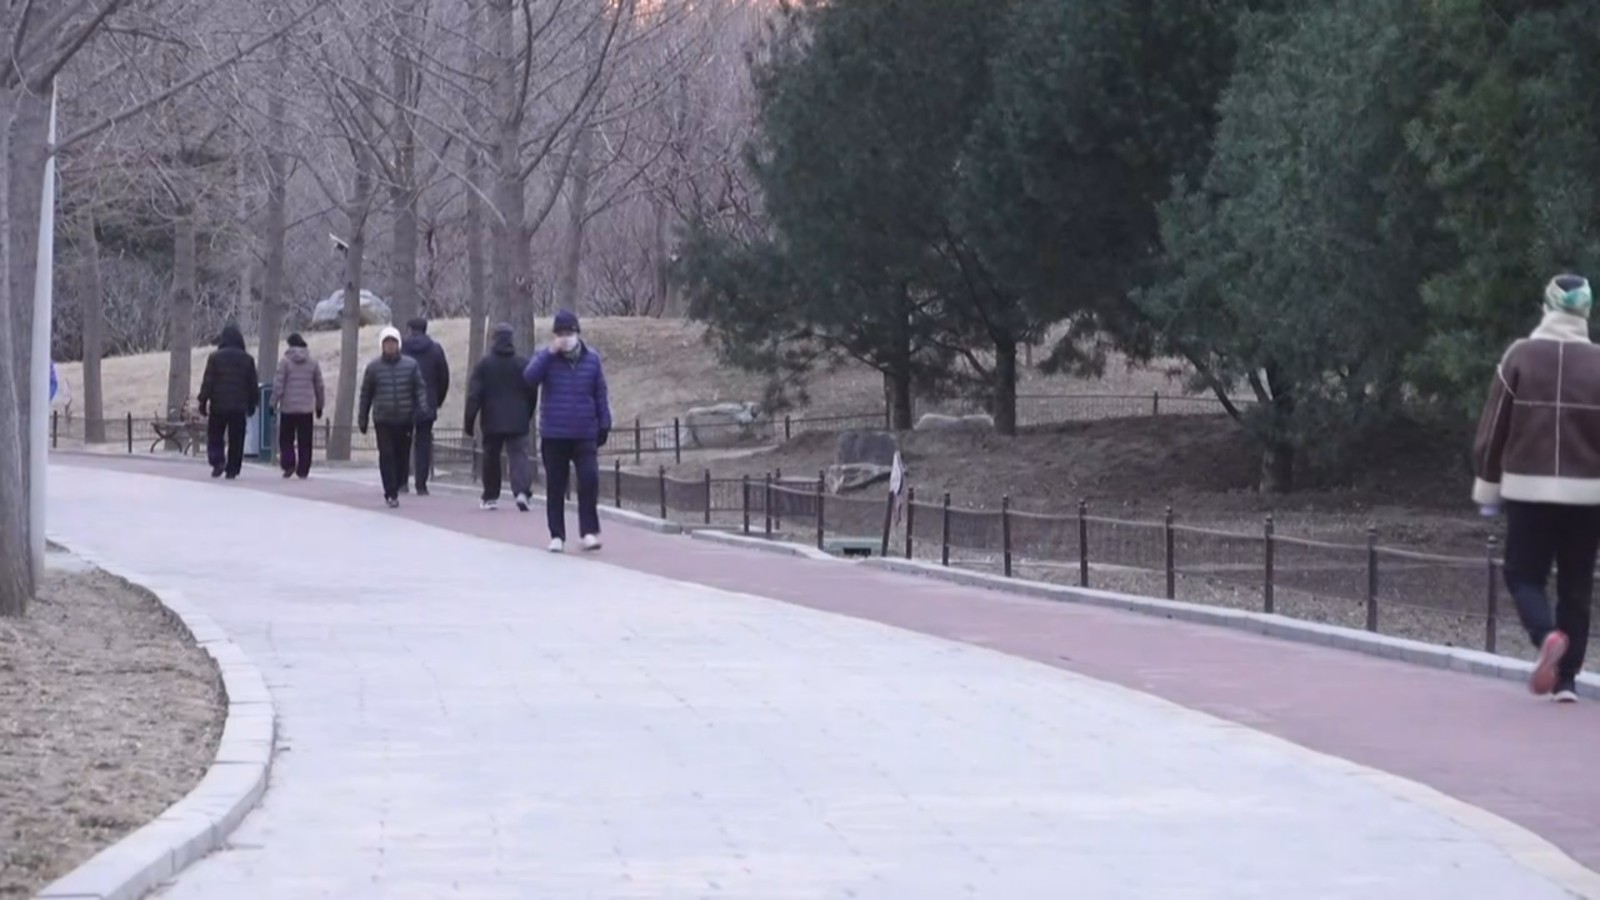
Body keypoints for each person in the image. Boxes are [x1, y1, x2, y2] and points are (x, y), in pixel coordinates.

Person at [1474, 273, 1600, 702]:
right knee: (1577, 585)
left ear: (1546, 306)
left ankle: (1546, 636)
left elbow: (1495, 428)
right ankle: (1566, 681)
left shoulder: (1520, 356)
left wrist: (1487, 488)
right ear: (1586, 310)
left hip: (1528, 490)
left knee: (1523, 574)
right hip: (1587, 495)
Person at [523, 310, 611, 552]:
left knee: (589, 480)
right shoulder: (547, 359)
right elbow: (529, 378)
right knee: (556, 485)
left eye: (569, 333)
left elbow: (600, 393)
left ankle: (589, 531)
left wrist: (604, 422)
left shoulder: (591, 359)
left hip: (584, 432)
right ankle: (557, 534)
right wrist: (549, 354)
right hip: (555, 433)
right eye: (561, 334)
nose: (566, 338)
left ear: (577, 333)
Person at [465, 323, 539, 511]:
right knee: (518, 456)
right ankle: (522, 491)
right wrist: (527, 413)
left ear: (493, 340)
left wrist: (469, 421)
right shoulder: (522, 364)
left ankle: (490, 495)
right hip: (518, 417)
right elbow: (532, 392)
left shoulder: (484, 365)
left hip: (492, 419)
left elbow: (474, 395)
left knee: (491, 456)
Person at [359, 326, 431, 508]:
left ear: (398, 344)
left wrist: (423, 407)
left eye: (393, 343)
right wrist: (363, 416)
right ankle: (390, 492)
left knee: (402, 455)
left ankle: (400, 482)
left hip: (405, 418)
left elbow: (419, 388)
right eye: (387, 343)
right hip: (383, 418)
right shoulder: (374, 368)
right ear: (381, 346)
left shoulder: (410, 365)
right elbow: (366, 393)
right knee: (387, 455)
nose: (390, 346)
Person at [196, 323, 259, 480]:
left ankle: (217, 461)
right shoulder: (247, 360)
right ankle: (233, 468)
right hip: (239, 407)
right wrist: (252, 403)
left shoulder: (215, 358)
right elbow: (252, 384)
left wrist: (203, 401)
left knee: (215, 435)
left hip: (218, 405)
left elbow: (208, 381)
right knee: (237, 438)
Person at [400, 317, 450, 496]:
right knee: (423, 442)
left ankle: (402, 481)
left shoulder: (402, 348)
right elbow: (443, 377)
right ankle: (421, 483)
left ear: (410, 329)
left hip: (404, 401)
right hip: (427, 402)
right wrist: (437, 399)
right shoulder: (436, 350)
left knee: (403, 442)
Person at [271, 333, 325, 479]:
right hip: (306, 408)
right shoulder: (313, 363)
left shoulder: (285, 362)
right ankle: (303, 469)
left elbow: (278, 385)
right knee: (305, 440)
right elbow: (319, 386)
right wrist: (319, 405)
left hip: (288, 408)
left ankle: (288, 463)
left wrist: (273, 403)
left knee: (286, 439)